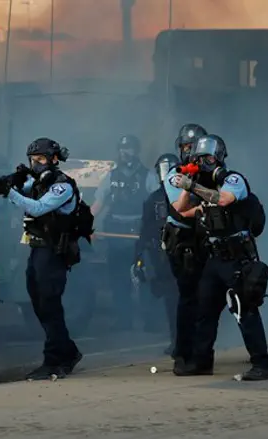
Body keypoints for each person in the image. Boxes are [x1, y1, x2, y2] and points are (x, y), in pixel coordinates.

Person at [170, 134, 268, 380]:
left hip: (237, 256)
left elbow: (225, 199)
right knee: (204, 310)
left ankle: (262, 364)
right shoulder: (203, 187)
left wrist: (193, 187)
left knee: (244, 310)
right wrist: (189, 183)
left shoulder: (233, 179)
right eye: (198, 158)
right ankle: (202, 361)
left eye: (207, 158)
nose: (202, 163)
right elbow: (181, 210)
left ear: (218, 158)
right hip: (214, 258)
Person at [0, 138, 83, 380]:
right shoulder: (39, 182)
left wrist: (10, 192)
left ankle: (54, 360)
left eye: (41, 159)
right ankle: (67, 350)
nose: (36, 164)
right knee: (37, 301)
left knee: (50, 305)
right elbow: (24, 189)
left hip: (54, 252)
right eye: (33, 159)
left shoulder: (63, 186)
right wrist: (5, 184)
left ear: (54, 159)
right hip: (37, 249)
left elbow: (38, 208)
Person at [161, 123, 208, 374]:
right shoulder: (174, 174)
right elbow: (180, 208)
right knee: (188, 298)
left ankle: (202, 353)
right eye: (185, 147)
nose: (188, 152)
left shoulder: (213, 172)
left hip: (206, 240)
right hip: (183, 241)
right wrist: (191, 186)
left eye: (193, 147)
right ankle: (182, 353)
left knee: (207, 299)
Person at [91, 135, 151, 330]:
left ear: (137, 150)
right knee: (118, 279)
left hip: (139, 235)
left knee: (146, 278)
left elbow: (157, 202)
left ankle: (151, 321)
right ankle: (124, 321)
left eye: (130, 148)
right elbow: (98, 204)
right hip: (116, 234)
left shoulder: (148, 176)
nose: (126, 152)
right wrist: (85, 224)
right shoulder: (111, 177)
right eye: (123, 149)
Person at [132, 153, 182, 354]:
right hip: (162, 257)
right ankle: (176, 340)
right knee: (170, 300)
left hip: (185, 256)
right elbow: (145, 230)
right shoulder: (153, 199)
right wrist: (138, 258)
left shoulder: (187, 195)